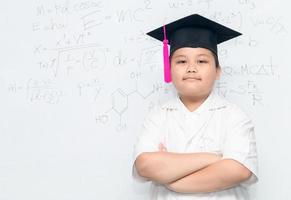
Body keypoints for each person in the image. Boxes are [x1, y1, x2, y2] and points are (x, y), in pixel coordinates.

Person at [132, 14, 258, 199]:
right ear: (169, 68)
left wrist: (172, 177)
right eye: (181, 61)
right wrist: (214, 158)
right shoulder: (158, 116)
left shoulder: (234, 116)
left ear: (217, 71)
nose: (191, 68)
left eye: (202, 61)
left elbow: (238, 170)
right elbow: (144, 165)